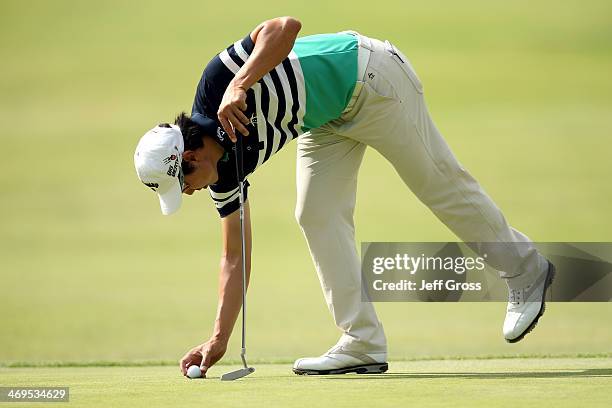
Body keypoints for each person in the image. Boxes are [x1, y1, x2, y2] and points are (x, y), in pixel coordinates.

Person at [133, 16, 555, 376]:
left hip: (371, 78)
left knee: (439, 186)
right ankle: (363, 341)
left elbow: (285, 27)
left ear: (188, 156)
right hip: (327, 121)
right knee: (314, 211)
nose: (188, 192)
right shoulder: (222, 174)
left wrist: (241, 82)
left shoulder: (215, 82)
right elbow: (234, 255)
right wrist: (218, 339)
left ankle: (525, 270)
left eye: (182, 184)